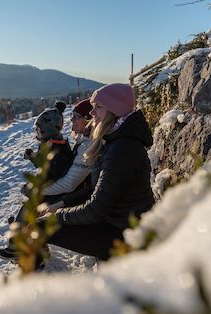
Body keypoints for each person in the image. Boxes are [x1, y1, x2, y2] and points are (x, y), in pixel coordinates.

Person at [38, 83, 155, 261]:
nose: (92, 113)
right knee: (44, 222)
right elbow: (96, 189)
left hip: (125, 234)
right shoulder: (115, 140)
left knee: (42, 227)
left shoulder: (122, 148)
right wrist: (61, 204)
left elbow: (96, 209)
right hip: (117, 223)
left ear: (113, 111)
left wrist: (58, 216)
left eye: (98, 107)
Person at [0, 100, 94, 261]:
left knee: (31, 205)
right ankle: (29, 239)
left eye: (76, 117)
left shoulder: (80, 147)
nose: (71, 120)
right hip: (71, 192)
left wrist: (36, 189)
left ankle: (20, 245)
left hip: (73, 196)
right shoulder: (73, 142)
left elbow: (64, 180)